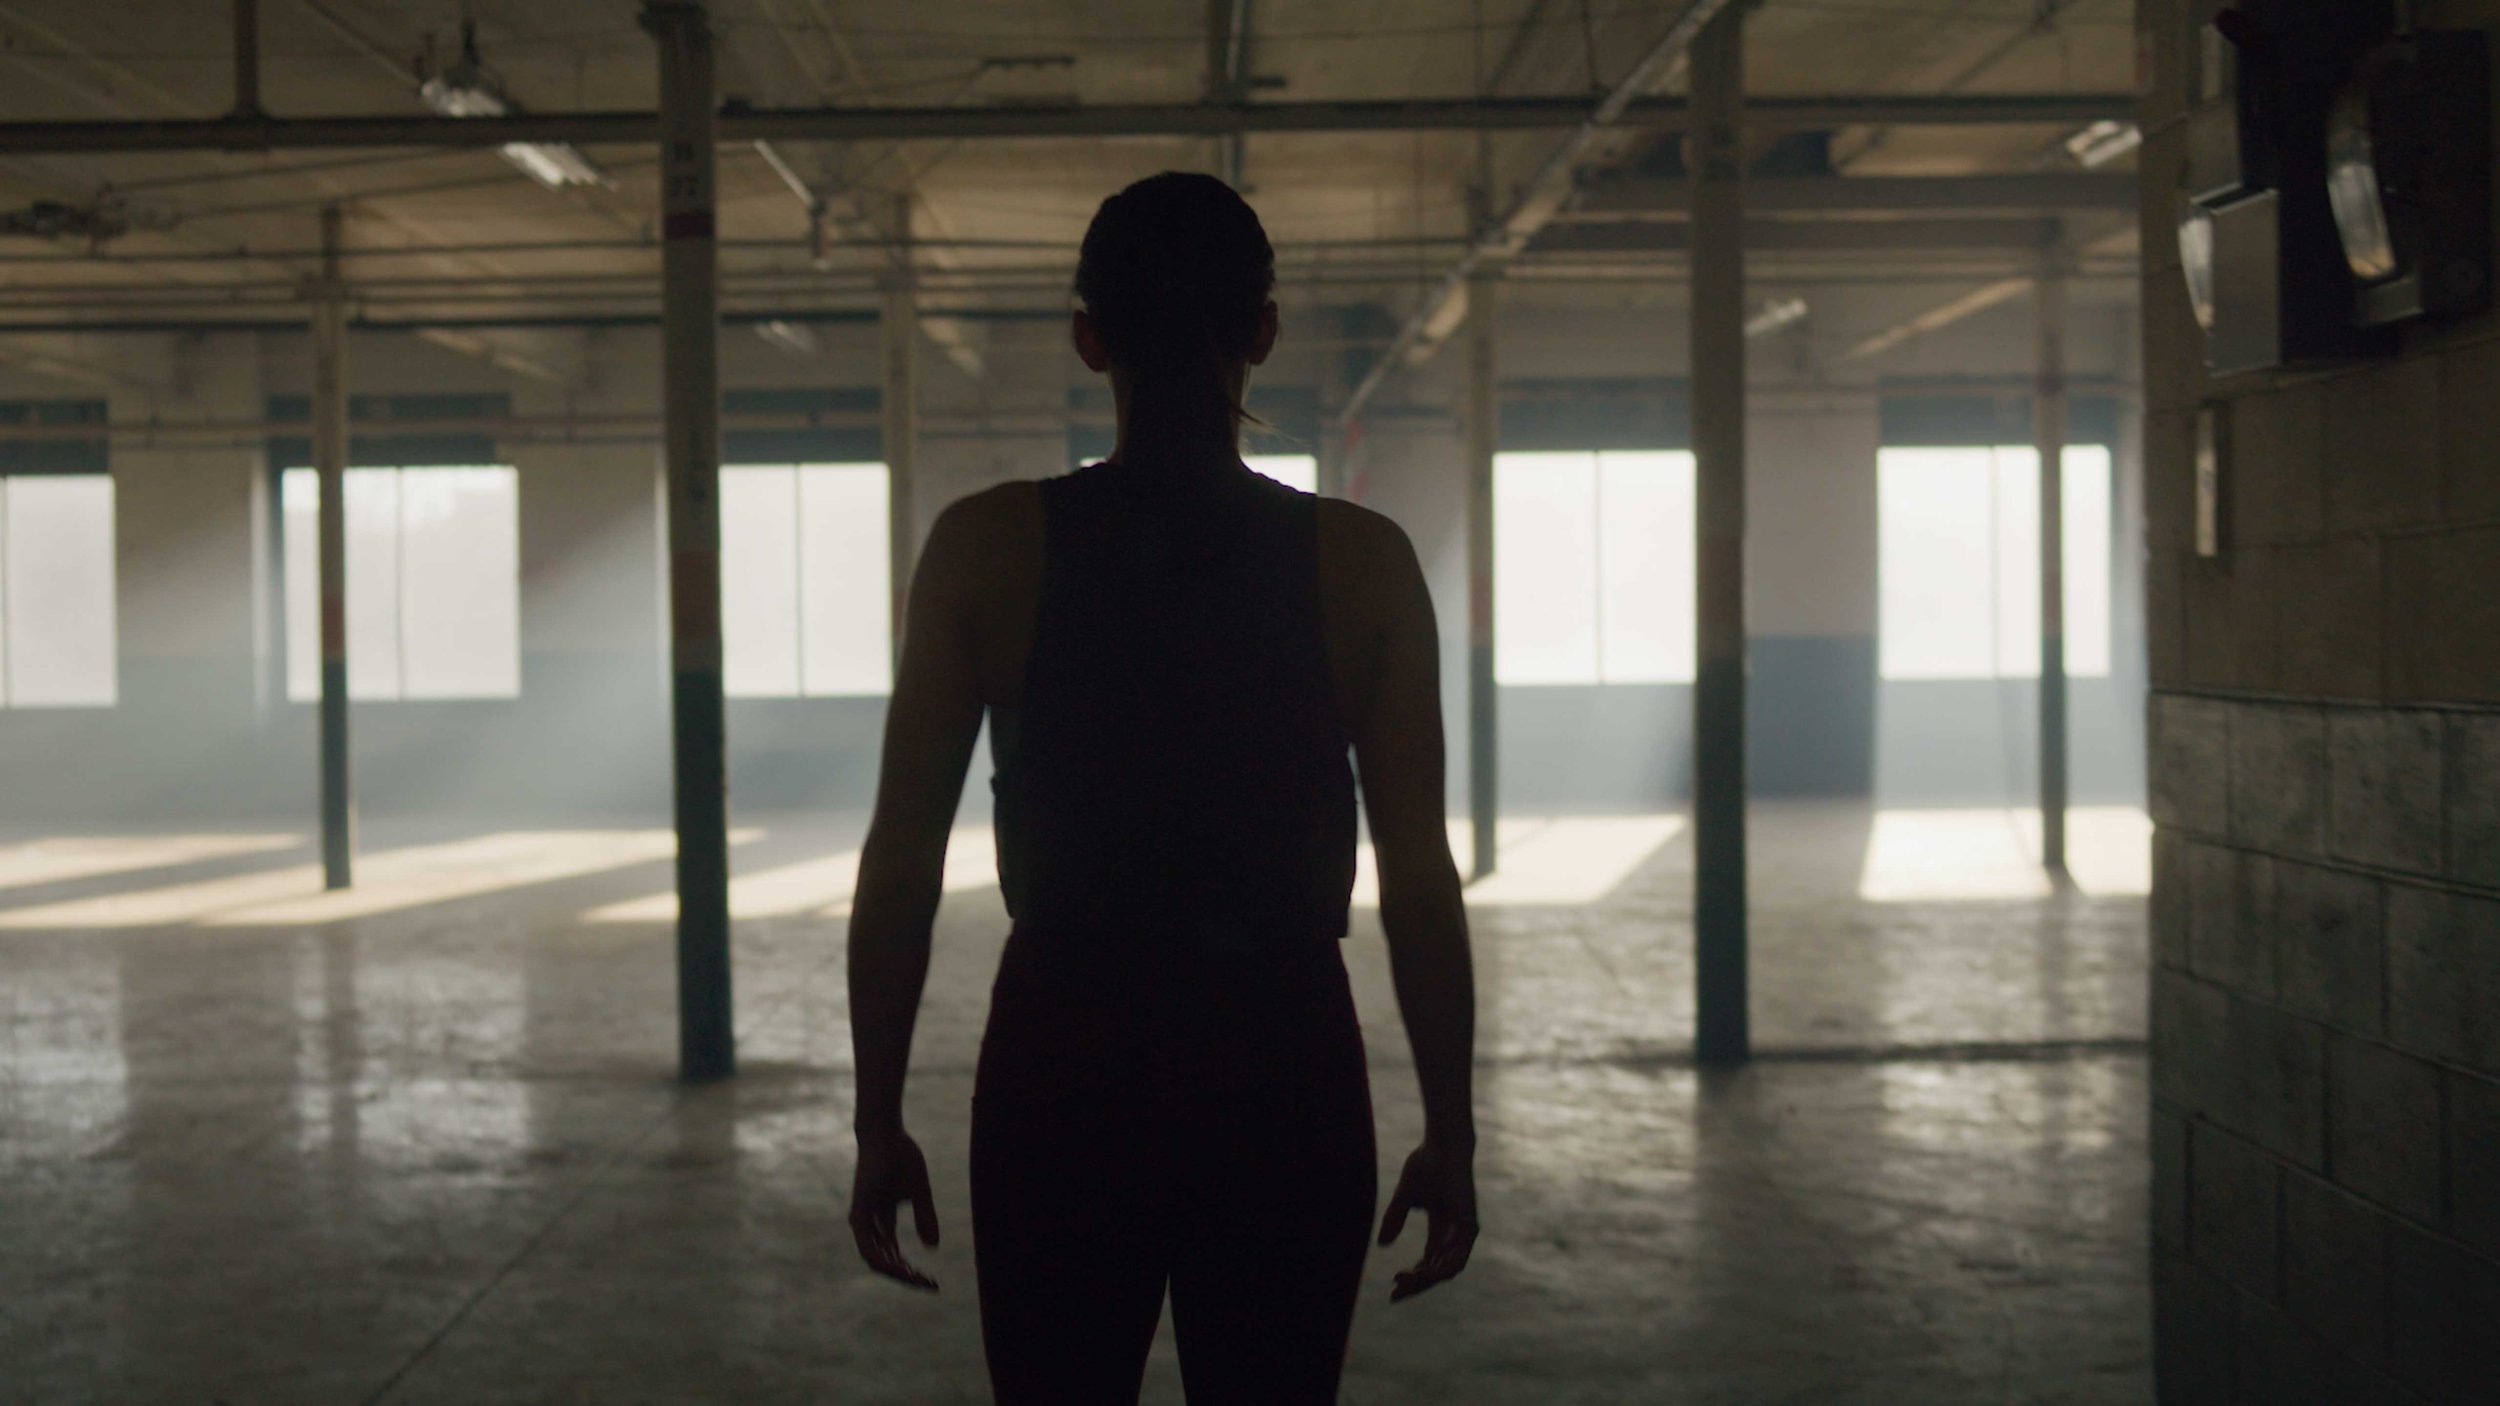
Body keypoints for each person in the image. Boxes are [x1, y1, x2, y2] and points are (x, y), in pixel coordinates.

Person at [844, 170, 1479, 1405]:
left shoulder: (986, 548)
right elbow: (1417, 874)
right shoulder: (1361, 565)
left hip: (1065, 1068)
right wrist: (1449, 1132)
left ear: (1090, 338)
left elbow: (901, 859)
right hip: (1283, 1066)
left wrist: (878, 1115)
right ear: (1263, 331)